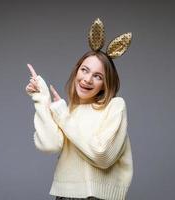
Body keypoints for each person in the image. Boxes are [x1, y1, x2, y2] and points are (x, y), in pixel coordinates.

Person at [25, 18, 133, 200]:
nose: (87, 79)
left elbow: (103, 156)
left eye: (97, 76)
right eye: (84, 70)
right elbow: (50, 145)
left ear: (105, 85)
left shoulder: (115, 106)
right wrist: (41, 99)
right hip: (63, 197)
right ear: (77, 71)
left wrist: (63, 116)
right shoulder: (68, 112)